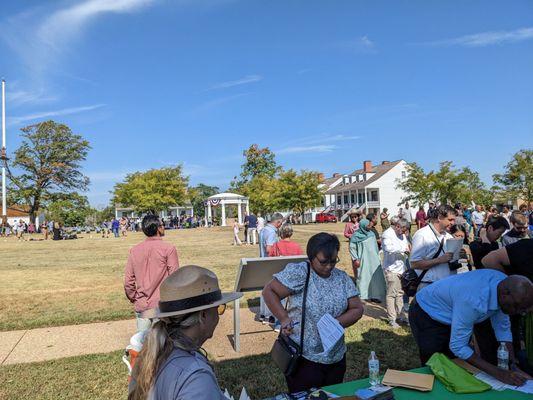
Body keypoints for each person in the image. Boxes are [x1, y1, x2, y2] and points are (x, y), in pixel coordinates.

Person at [262, 233, 364, 393]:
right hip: (305, 359)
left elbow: (357, 308)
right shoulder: (301, 272)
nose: (329, 266)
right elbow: (269, 291)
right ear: (311, 257)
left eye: (333, 261)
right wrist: (283, 318)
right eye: (323, 262)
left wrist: (336, 323)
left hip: (335, 357)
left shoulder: (342, 278)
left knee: (332, 395)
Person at [128, 265, 242, 400]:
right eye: (218, 309)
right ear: (204, 315)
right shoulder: (196, 377)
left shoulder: (151, 353)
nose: (219, 316)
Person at [409, 269, 533, 386]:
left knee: (455, 367)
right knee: (434, 365)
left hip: (453, 311)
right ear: (505, 294)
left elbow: (503, 329)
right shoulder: (474, 300)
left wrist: (512, 366)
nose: (520, 312)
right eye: (518, 307)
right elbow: (458, 346)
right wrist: (499, 373)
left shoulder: (504, 286)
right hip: (426, 312)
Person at [482, 239, 533, 374]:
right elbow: (489, 260)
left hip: (522, 305)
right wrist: (513, 290)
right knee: (505, 339)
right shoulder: (527, 247)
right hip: (512, 303)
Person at [124, 215, 179, 332]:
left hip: (142, 304)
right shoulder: (168, 249)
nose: (164, 227)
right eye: (162, 225)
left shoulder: (134, 250)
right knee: (163, 344)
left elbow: (128, 280)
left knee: (142, 343)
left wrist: (134, 298)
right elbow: (175, 277)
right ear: (158, 228)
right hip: (162, 305)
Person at [409, 204, 456, 291]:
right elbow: (414, 264)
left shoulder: (448, 236)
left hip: (446, 285)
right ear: (439, 217)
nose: (453, 223)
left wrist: (458, 254)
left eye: (454, 220)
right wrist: (440, 260)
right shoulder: (422, 235)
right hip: (428, 286)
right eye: (450, 219)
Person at [381, 217, 410, 328]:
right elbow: (388, 248)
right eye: (403, 230)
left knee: (400, 293)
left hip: (401, 269)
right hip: (391, 268)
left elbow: (406, 245)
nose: (404, 233)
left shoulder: (402, 234)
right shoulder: (387, 234)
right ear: (398, 226)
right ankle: (392, 319)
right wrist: (403, 249)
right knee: (391, 294)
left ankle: (401, 316)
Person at [349, 218, 386, 303]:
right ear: (362, 226)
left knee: (375, 277)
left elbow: (376, 247)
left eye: (370, 225)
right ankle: (363, 295)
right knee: (363, 276)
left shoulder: (372, 234)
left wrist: (378, 257)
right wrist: (355, 258)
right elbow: (352, 248)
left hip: (374, 260)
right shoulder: (356, 236)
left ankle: (375, 295)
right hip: (363, 260)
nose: (370, 226)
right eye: (368, 225)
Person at [258, 213, 284, 323]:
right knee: (272, 290)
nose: (281, 224)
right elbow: (269, 249)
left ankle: (263, 314)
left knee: (264, 289)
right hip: (270, 263)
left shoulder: (263, 230)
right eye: (281, 222)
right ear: (277, 222)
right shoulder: (271, 232)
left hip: (262, 262)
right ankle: (270, 315)